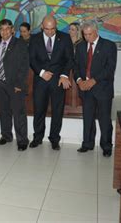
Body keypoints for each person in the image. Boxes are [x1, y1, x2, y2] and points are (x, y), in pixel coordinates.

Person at [29, 16, 74, 150]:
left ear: (56, 26)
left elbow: (69, 59)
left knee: (57, 111)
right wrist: (42, 73)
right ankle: (37, 137)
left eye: (52, 29)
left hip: (58, 80)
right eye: (47, 29)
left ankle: (54, 139)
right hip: (41, 80)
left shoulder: (65, 38)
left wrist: (64, 75)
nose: (49, 32)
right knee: (39, 110)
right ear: (42, 27)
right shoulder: (35, 38)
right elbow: (32, 59)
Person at [74, 20, 116, 157]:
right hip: (85, 89)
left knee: (104, 119)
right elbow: (76, 67)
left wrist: (93, 81)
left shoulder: (109, 46)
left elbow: (109, 69)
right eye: (85, 34)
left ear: (96, 31)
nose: (87, 37)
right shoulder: (80, 47)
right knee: (88, 117)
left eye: (90, 34)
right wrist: (79, 81)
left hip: (102, 88)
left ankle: (106, 146)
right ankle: (87, 143)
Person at [0, 19, 29, 151]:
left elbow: (24, 66)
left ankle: (22, 140)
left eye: (7, 29)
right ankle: (6, 136)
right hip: (0, 83)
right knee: (4, 111)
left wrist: (19, 84)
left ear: (12, 30)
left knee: (18, 113)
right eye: (2, 29)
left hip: (14, 85)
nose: (4, 31)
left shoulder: (20, 44)